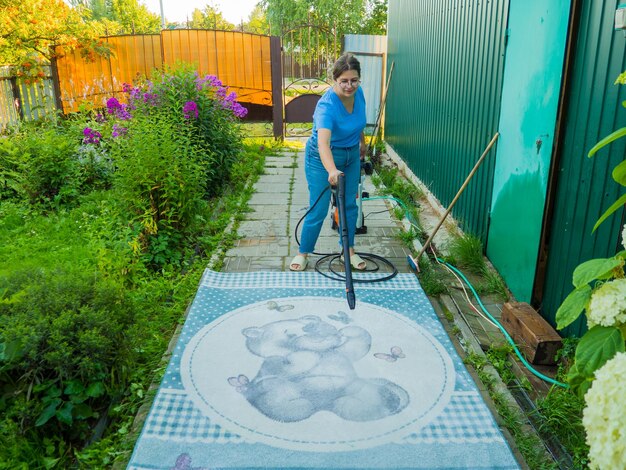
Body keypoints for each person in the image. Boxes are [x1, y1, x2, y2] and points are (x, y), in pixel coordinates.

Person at [290, 53, 367, 272]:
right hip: (321, 158)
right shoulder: (326, 106)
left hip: (351, 155)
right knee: (319, 207)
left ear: (359, 79)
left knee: (349, 205)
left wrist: (362, 143)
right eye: (344, 81)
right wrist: (331, 170)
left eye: (354, 80)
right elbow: (323, 143)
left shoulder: (359, 93)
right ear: (335, 79)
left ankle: (348, 251)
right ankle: (303, 252)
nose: (349, 85)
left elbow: (358, 121)